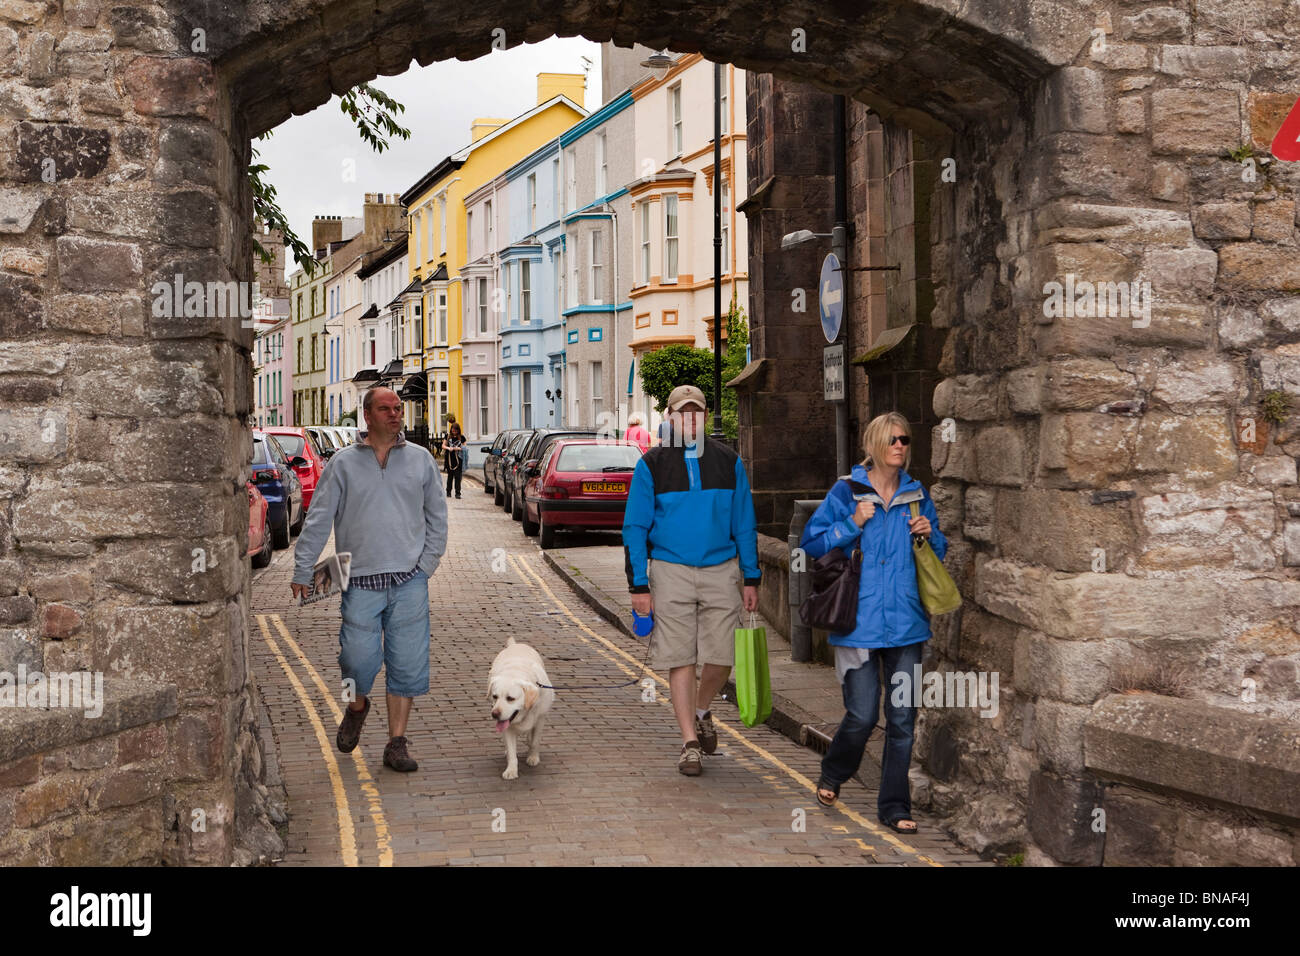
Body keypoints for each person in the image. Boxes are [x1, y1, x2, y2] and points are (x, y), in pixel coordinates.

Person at [799, 411, 946, 833]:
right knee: (862, 716)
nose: (901, 445)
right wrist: (852, 523)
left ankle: (895, 807)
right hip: (858, 624)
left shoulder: (917, 495)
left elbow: (940, 550)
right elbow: (812, 543)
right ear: (876, 444)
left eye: (905, 440)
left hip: (907, 625)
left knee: (902, 720)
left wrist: (928, 535)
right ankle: (834, 772)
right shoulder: (846, 492)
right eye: (894, 439)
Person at [290, 386, 448, 772]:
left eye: (398, 408)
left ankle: (397, 743)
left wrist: (425, 567)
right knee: (354, 661)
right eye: (385, 409)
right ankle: (356, 706)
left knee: (406, 664)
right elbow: (318, 519)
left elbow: (437, 519)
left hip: (409, 581)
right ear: (367, 415)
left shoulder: (421, 460)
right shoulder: (342, 464)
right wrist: (302, 568)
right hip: (359, 580)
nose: (395, 414)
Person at [622, 384, 761, 776]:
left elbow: (744, 524)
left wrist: (752, 576)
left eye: (697, 412)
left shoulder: (729, 461)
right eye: (683, 413)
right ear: (669, 417)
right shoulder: (651, 465)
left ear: (705, 416)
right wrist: (639, 586)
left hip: (721, 570)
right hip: (669, 571)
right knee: (680, 657)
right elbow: (634, 527)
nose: (690, 419)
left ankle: (701, 709)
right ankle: (689, 742)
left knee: (722, 657)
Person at [443, 421, 465, 499]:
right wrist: (449, 448)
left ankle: (458, 493)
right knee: (450, 476)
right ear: (451, 429)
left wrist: (457, 448)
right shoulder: (448, 436)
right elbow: (443, 445)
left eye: (456, 430)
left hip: (458, 459)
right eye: (453, 430)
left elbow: (464, 448)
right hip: (449, 459)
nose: (454, 432)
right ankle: (448, 492)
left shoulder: (461, 437)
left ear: (458, 430)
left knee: (458, 477)